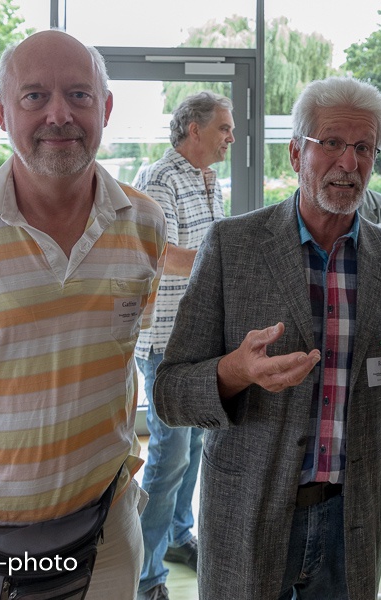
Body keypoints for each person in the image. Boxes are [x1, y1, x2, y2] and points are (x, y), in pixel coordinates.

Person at [0, 30, 166, 599]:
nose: (59, 114)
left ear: (106, 108)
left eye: (79, 95)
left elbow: (117, 350)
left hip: (102, 535)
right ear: (1, 113)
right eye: (34, 96)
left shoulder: (145, 224)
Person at [153, 76, 381, 600]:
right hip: (246, 518)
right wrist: (234, 372)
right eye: (331, 143)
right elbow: (169, 393)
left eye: (364, 148)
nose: (348, 162)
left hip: (352, 528)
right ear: (294, 153)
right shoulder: (232, 246)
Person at [132, 91, 235, 600]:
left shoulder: (208, 180)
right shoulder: (160, 179)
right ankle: (146, 576)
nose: (231, 137)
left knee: (193, 449)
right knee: (169, 457)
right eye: (223, 128)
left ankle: (177, 537)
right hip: (164, 343)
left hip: (199, 339)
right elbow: (162, 254)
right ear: (194, 129)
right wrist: (224, 261)